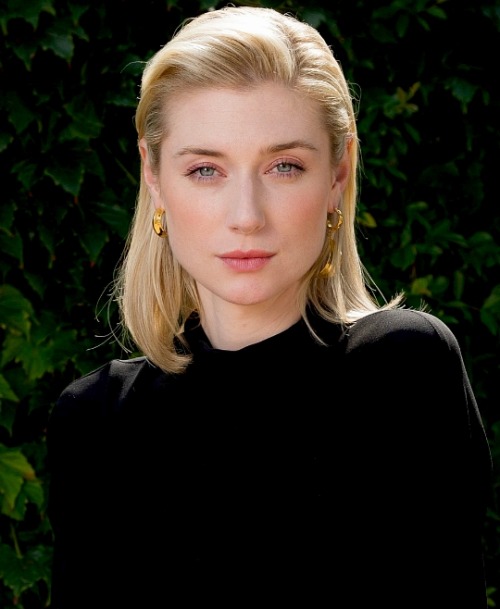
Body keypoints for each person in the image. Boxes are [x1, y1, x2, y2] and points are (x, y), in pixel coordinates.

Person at [46, 5, 492, 608]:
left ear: (338, 173)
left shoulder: (402, 367)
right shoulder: (92, 420)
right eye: (206, 169)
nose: (246, 216)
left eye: (284, 166)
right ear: (153, 176)